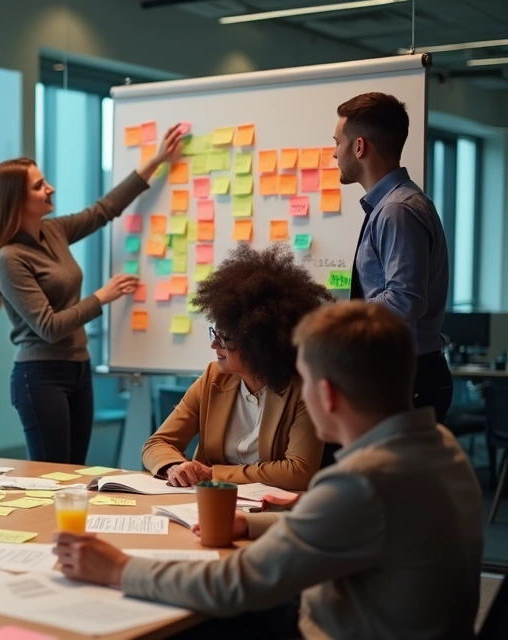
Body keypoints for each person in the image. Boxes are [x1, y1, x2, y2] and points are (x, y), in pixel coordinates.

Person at [54, 301, 483, 639]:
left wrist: (117, 568)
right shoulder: (442, 448)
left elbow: (237, 583)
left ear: (327, 395)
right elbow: (347, 525)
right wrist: (252, 525)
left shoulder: (363, 483)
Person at [0, 124, 184, 464]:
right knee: (51, 478)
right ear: (17, 200)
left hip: (78, 367)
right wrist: (102, 297)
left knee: (75, 472)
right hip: (40, 376)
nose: (51, 188)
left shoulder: (53, 231)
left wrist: (156, 161)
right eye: (39, 186)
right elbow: (48, 326)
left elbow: (104, 210)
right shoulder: (9, 259)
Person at [141, 244, 329, 491]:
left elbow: (299, 471)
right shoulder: (213, 378)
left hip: (272, 511)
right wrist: (175, 467)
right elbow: (157, 443)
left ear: (258, 342)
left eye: (225, 339)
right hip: (206, 504)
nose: (213, 345)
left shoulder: (302, 389)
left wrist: (213, 473)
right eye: (215, 334)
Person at [334, 92, 451, 423]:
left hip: (406, 377)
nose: (333, 153)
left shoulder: (396, 210)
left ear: (359, 147)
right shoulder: (392, 206)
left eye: (337, 142)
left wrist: (341, 322)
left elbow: (405, 299)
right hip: (400, 373)